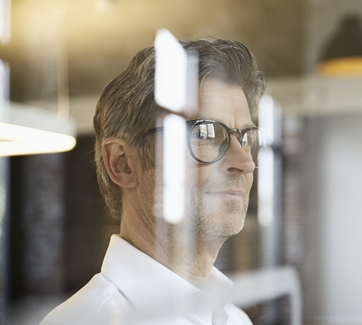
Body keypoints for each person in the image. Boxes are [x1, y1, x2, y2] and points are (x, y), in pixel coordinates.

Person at [40, 38, 266, 325]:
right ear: (122, 164)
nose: (244, 163)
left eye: (246, 138)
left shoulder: (234, 319)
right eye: (205, 134)